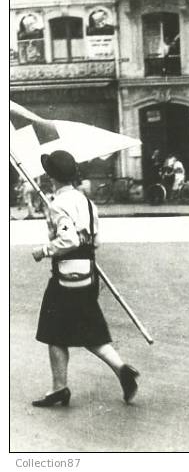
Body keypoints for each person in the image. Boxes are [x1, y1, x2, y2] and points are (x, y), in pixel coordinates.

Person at [30, 150, 139, 407]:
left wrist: (44, 250)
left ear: (51, 176)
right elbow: (95, 240)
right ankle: (122, 370)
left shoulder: (57, 204)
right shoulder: (88, 202)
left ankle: (60, 388)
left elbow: (69, 239)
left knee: (52, 330)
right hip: (88, 274)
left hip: (66, 276)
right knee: (88, 330)